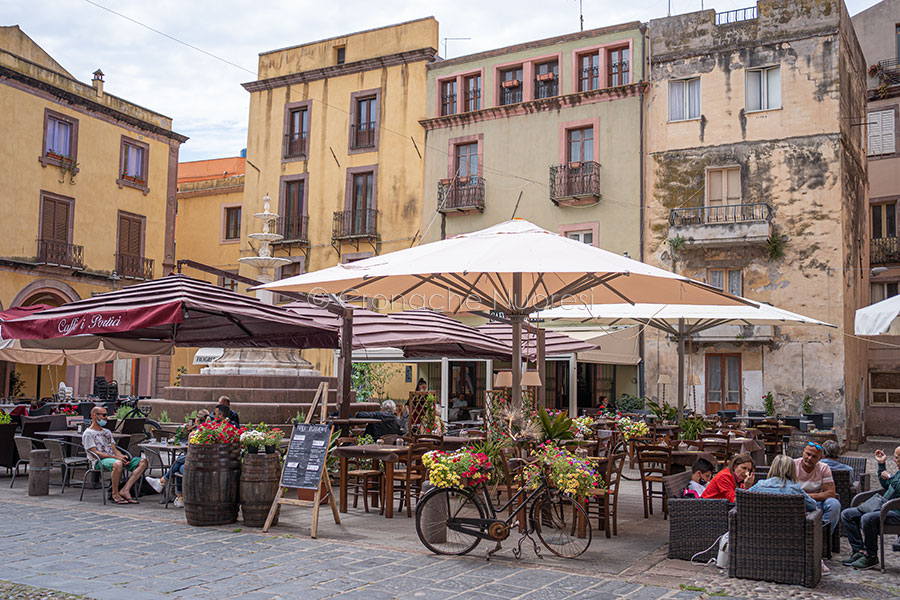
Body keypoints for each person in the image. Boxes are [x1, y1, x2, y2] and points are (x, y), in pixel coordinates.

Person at [840, 446, 900, 570]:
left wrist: (889, 476)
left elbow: (896, 484)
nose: (894, 460)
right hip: (883, 507)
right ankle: (859, 551)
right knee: (847, 514)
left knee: (868, 518)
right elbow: (886, 484)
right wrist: (881, 465)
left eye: (897, 457)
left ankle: (871, 555)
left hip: (895, 512)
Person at [82, 406, 148, 504]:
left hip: (114, 459)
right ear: (95, 416)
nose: (106, 417)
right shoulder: (88, 433)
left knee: (143, 462)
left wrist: (121, 456)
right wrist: (116, 458)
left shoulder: (107, 432)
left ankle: (125, 489)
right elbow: (95, 453)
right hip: (98, 461)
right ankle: (115, 493)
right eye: (104, 415)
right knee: (117, 464)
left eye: (106, 415)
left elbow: (114, 449)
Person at [145, 410, 209, 508]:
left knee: (179, 461)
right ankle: (179, 498)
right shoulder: (210, 433)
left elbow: (191, 454)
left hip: (197, 465)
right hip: (205, 464)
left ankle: (163, 482)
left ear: (197, 420)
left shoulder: (194, 434)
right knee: (180, 466)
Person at [794, 442, 841, 540]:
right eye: (808, 454)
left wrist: (806, 496)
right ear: (803, 452)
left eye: (814, 456)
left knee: (834, 504)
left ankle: (822, 537)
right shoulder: (793, 465)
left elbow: (831, 493)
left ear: (820, 458)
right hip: (795, 503)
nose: (810, 458)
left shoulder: (823, 468)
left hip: (816, 503)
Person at [748, 454, 817, 510]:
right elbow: (812, 506)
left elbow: (743, 499)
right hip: (790, 526)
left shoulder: (760, 485)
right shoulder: (794, 489)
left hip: (759, 525)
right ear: (792, 470)